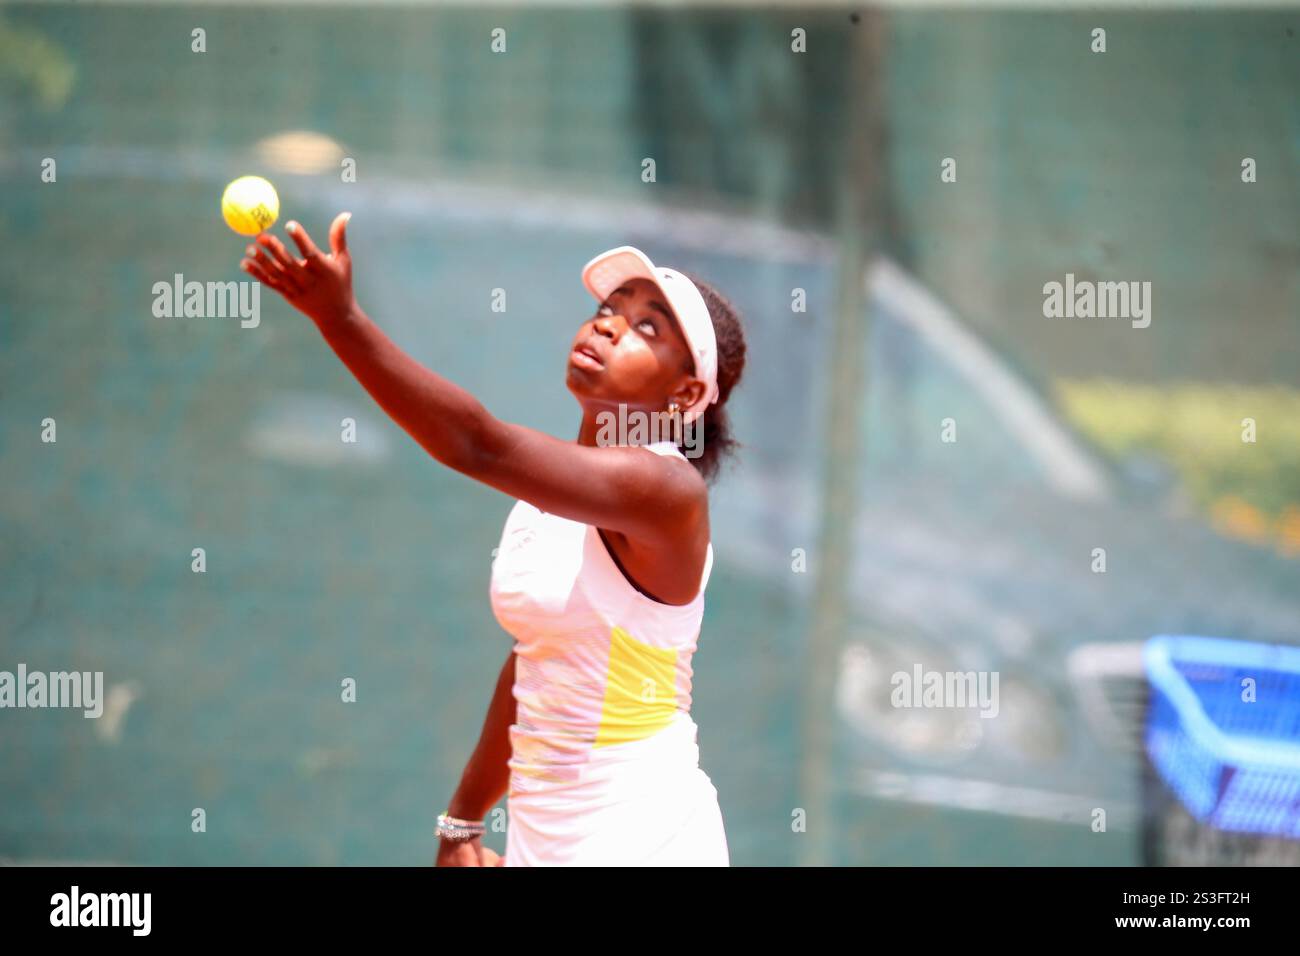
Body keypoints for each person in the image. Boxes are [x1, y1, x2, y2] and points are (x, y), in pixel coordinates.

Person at [240, 217, 746, 865]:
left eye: (647, 327)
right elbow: (535, 658)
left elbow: (476, 443)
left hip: (646, 839)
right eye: (607, 309)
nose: (608, 325)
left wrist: (340, 321)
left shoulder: (666, 493)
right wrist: (463, 821)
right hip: (545, 840)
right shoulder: (552, 497)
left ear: (686, 392)